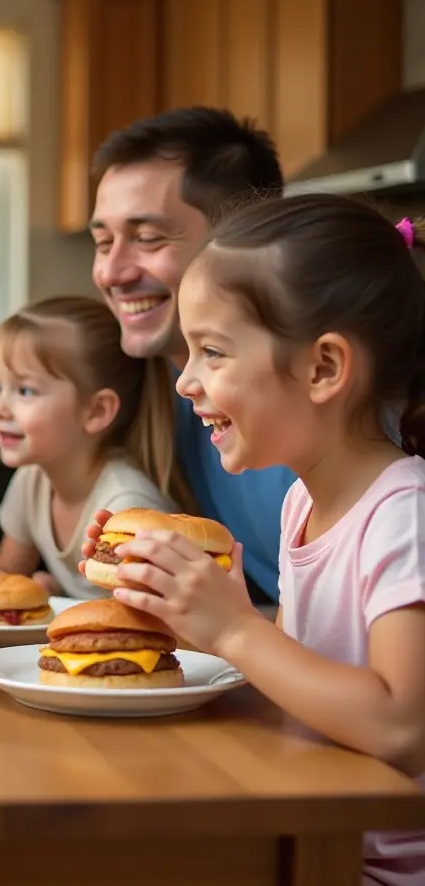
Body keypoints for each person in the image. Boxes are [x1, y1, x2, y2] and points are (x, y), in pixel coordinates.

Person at [83, 195, 425, 886]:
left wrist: (235, 630)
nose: (185, 380)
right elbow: (312, 686)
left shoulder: (404, 513)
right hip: (309, 828)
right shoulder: (305, 502)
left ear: (324, 368)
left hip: (376, 877)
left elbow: (400, 726)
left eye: (212, 350)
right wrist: (191, 612)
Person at [88, 107, 295, 602]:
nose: (112, 272)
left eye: (148, 238)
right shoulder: (159, 392)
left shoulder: (311, 404)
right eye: (102, 241)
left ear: (244, 239)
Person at [0, 296, 186, 599]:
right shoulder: (32, 479)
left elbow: (147, 620)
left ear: (97, 411)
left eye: (25, 390)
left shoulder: (124, 505)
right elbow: (6, 582)